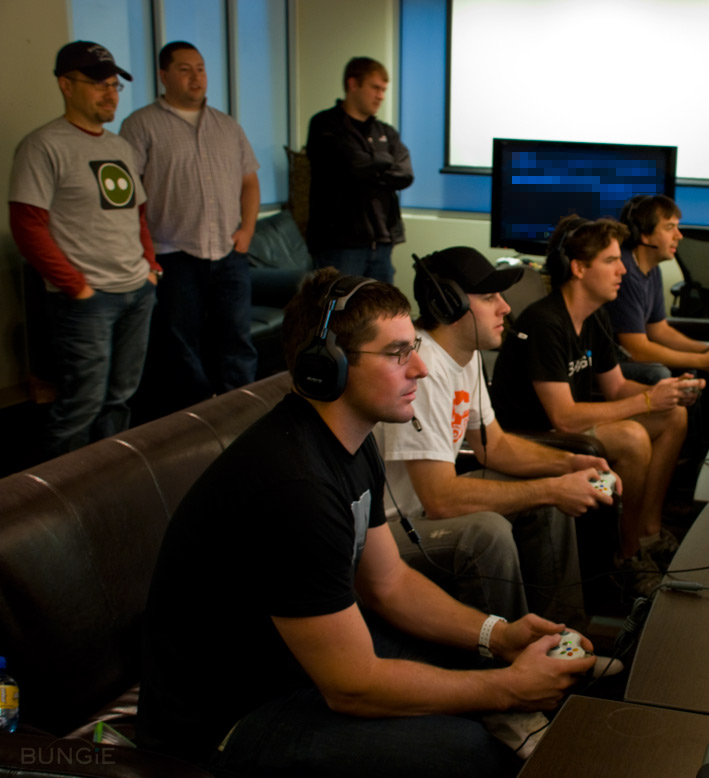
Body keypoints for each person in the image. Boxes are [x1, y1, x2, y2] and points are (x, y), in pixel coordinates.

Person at [138, 267, 596, 778]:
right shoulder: (295, 486)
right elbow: (352, 685)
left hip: (297, 669)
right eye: (398, 353)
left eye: (413, 347)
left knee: (482, 664)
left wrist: (499, 635)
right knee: (469, 749)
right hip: (227, 719)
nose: (420, 368)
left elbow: (389, 583)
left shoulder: (353, 443)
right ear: (326, 366)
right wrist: (508, 689)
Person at [379, 246, 620, 625]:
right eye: (489, 297)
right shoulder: (422, 369)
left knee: (547, 496)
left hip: (425, 508)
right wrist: (553, 489)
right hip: (393, 527)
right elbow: (439, 499)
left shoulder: (465, 355)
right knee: (491, 529)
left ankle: (561, 632)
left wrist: (569, 464)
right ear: (449, 304)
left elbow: (496, 446)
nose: (506, 308)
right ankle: (512, 650)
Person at [491, 217, 702, 594]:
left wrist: (665, 393)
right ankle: (626, 554)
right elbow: (564, 417)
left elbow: (617, 387)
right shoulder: (545, 321)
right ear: (579, 268)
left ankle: (648, 532)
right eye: (610, 261)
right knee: (633, 438)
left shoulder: (594, 317)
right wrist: (646, 400)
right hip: (534, 437)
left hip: (566, 428)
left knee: (673, 416)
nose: (623, 269)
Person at [8, 41, 160, 458]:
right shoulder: (43, 146)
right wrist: (76, 286)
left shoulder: (119, 146)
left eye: (114, 85)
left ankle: (110, 476)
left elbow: (138, 215)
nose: (110, 94)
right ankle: (58, 490)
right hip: (87, 301)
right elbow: (27, 225)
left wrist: (150, 268)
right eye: (98, 85)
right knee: (81, 405)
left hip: (137, 291)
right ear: (66, 85)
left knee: (121, 397)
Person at [121, 41, 260, 411]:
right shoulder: (140, 125)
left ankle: (242, 412)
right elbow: (128, 195)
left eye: (200, 68)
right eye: (184, 69)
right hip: (173, 254)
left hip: (228, 252)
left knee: (236, 339)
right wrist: (143, 251)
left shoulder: (227, 126)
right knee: (181, 344)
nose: (196, 76)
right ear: (163, 76)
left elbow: (249, 182)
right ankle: (197, 417)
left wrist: (247, 229)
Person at [608, 194, 709, 378]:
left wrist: (707, 349)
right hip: (606, 363)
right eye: (669, 228)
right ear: (644, 234)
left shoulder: (651, 269)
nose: (679, 236)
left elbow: (659, 330)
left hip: (625, 357)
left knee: (689, 367)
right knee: (661, 373)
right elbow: (637, 350)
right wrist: (702, 361)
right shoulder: (624, 271)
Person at [306, 56, 413, 284]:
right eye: (375, 88)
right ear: (353, 84)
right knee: (338, 306)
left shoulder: (386, 132)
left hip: (381, 242)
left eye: (384, 90)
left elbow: (405, 174)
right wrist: (384, 162)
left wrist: (368, 169)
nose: (381, 96)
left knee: (382, 307)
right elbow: (351, 165)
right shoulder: (325, 124)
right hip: (339, 244)